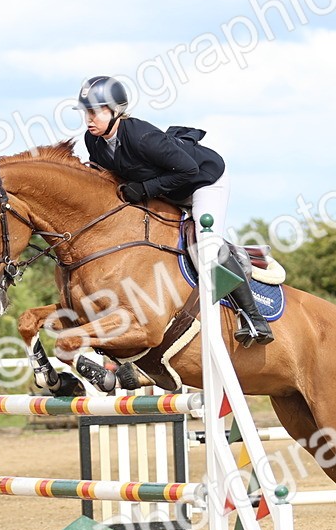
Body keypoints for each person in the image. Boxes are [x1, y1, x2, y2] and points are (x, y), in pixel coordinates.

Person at [75, 75, 273, 347]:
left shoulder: (142, 137)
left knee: (207, 245)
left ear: (116, 111)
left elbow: (189, 170)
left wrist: (144, 189)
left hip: (202, 183)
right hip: (166, 190)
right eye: (86, 112)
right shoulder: (93, 141)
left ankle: (253, 318)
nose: (89, 119)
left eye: (95, 112)